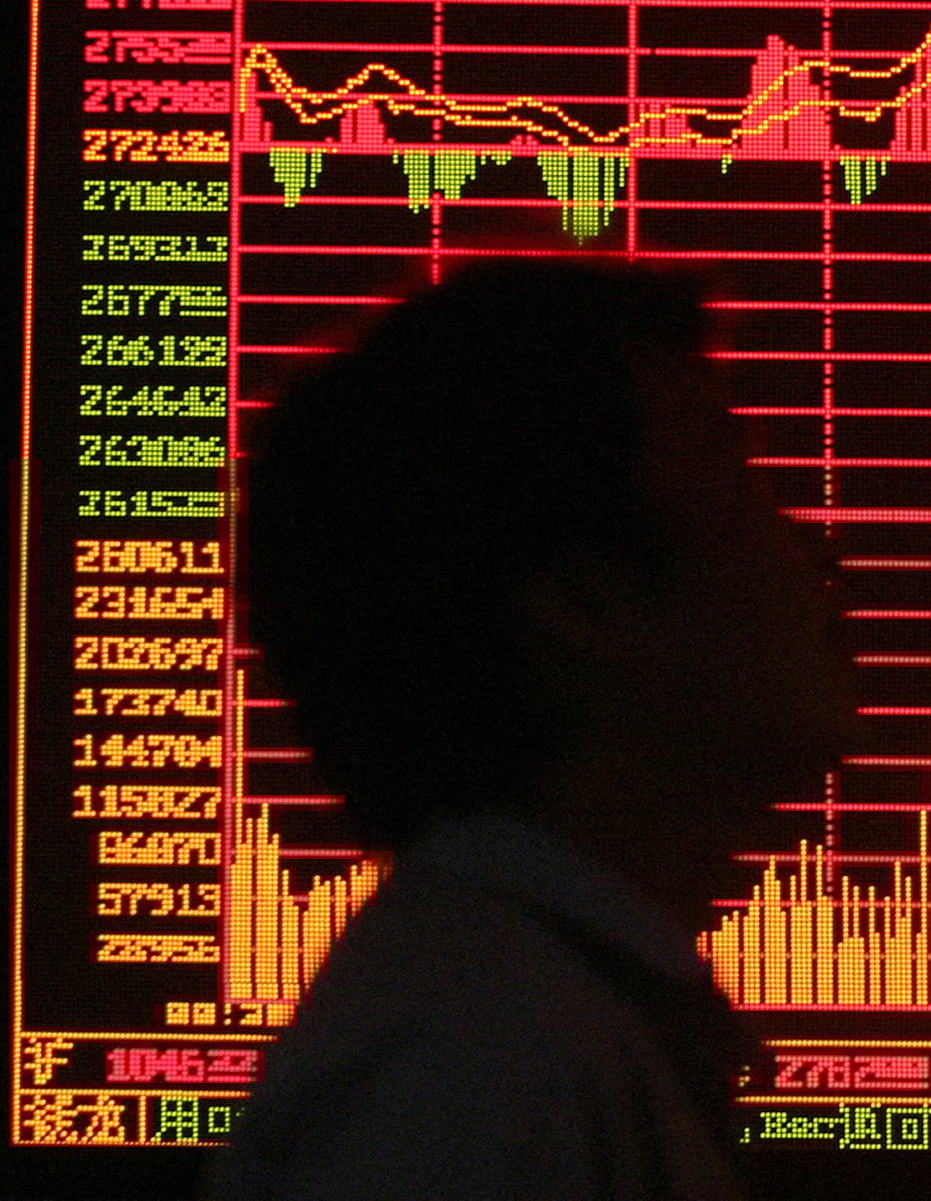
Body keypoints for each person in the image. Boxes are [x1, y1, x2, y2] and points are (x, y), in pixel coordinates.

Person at [212, 260, 857, 1200]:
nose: (815, 549)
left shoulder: (518, 1022)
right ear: (587, 601)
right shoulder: (479, 1066)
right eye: (743, 484)